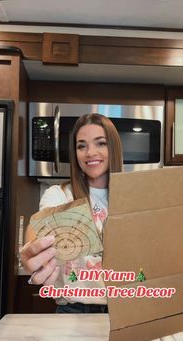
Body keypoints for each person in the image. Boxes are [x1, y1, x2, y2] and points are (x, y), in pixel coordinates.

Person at [20, 113, 123, 313]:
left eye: (100, 143)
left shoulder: (132, 198)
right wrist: (33, 251)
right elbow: (37, 230)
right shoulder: (59, 195)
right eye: (81, 146)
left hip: (122, 310)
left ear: (114, 148)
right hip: (73, 309)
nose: (90, 152)